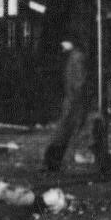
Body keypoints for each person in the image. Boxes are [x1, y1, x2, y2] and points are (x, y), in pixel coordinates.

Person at [44, 35, 100, 173]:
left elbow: (76, 80)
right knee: (68, 130)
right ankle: (55, 160)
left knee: (65, 130)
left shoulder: (74, 57)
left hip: (72, 99)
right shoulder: (77, 57)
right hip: (75, 100)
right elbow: (80, 81)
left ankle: (53, 160)